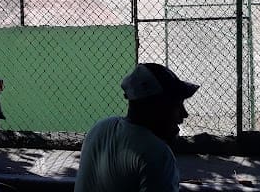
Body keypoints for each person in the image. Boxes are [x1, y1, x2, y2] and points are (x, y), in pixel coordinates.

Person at [74, 62, 200, 192]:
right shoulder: (157, 155)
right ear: (157, 107)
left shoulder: (100, 128)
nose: (184, 115)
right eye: (177, 105)